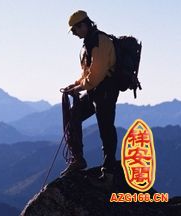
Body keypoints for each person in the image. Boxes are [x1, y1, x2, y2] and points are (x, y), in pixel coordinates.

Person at [61, 10, 119, 180]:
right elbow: (88, 73)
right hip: (97, 90)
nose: (74, 33)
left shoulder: (100, 41)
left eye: (75, 30)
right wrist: (77, 84)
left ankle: (108, 169)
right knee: (73, 117)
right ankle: (78, 159)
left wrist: (79, 88)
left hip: (106, 90)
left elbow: (96, 74)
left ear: (83, 25)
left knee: (105, 127)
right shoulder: (90, 42)